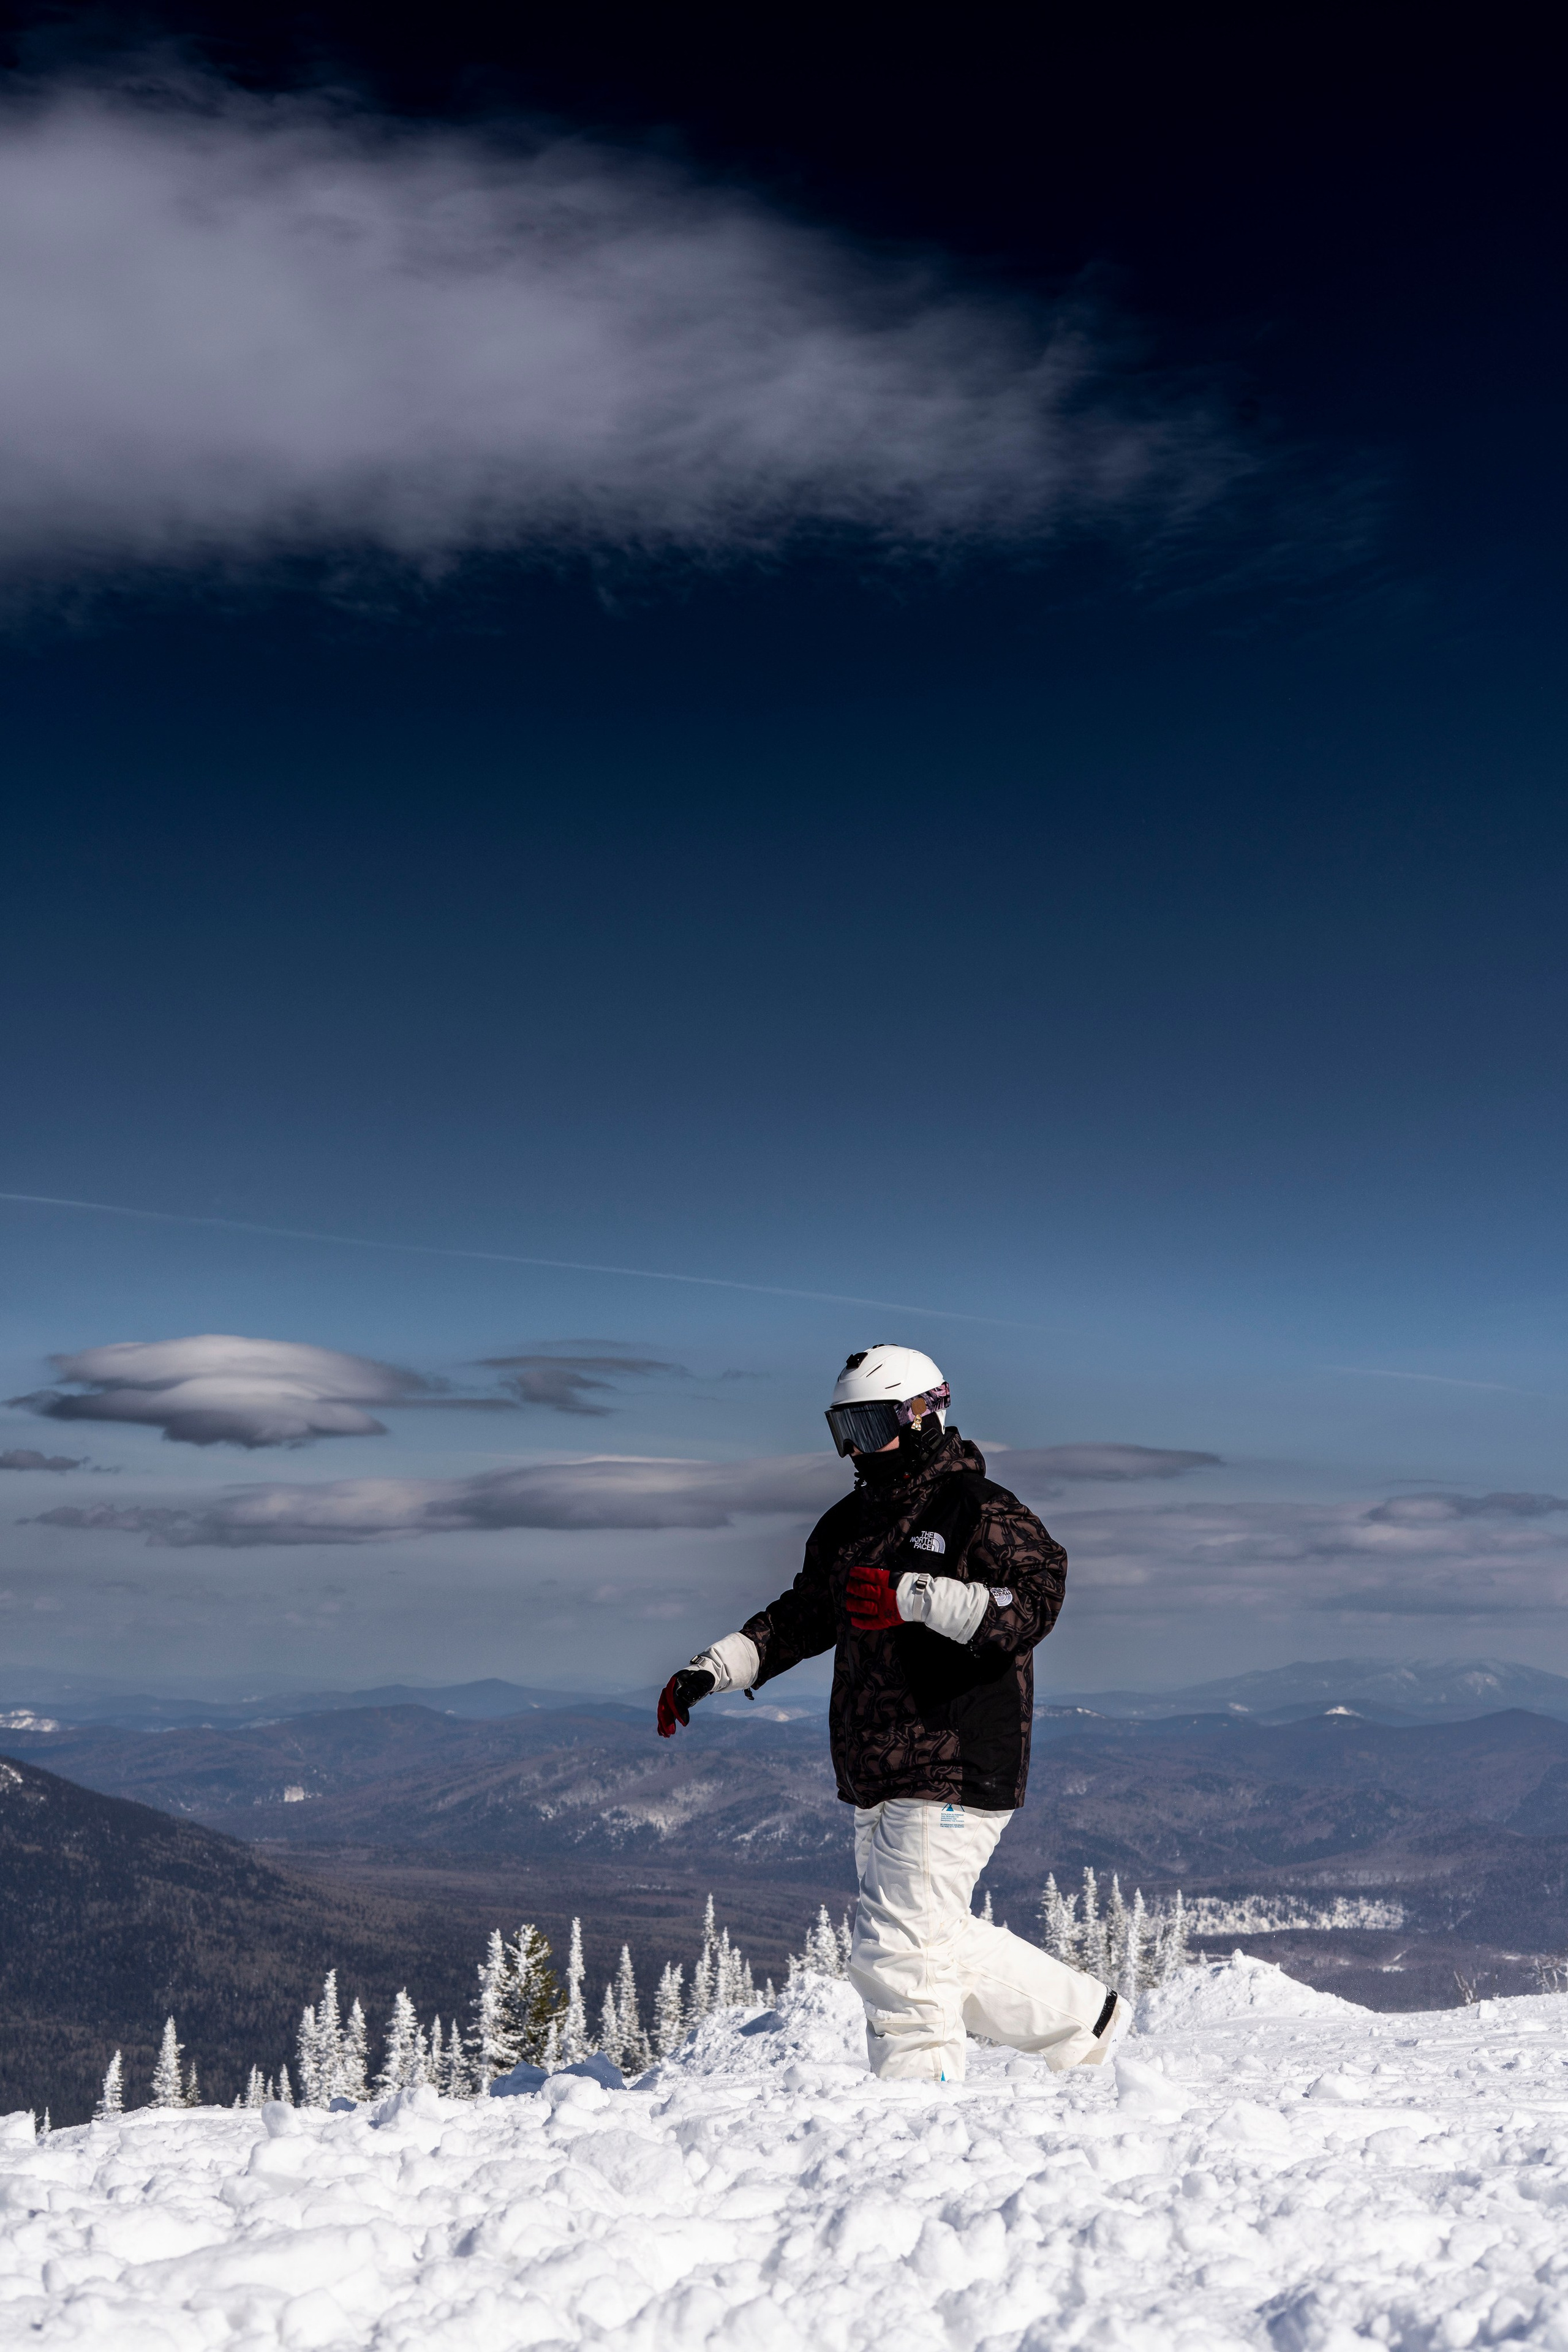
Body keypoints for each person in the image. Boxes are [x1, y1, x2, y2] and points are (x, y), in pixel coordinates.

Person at [657, 1344, 1128, 2084]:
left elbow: (1034, 1604)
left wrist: (915, 1597)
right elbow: (802, 1618)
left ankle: (917, 2112)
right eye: (842, 1428)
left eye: (869, 1426)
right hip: (876, 1767)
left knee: (898, 1953)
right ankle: (1087, 2021)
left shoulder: (978, 1509)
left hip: (954, 1755)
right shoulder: (848, 1524)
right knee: (928, 1938)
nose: (854, 1447)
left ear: (921, 1416)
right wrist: (712, 1669)